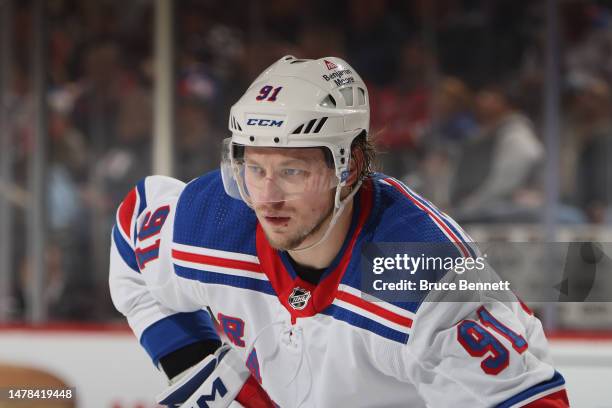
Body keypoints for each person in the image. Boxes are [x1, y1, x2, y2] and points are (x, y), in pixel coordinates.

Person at [109, 56, 569, 407]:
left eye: (292, 171)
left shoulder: (423, 277)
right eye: (254, 168)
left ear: (350, 168)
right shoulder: (211, 222)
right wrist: (198, 365)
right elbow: (134, 228)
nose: (267, 198)